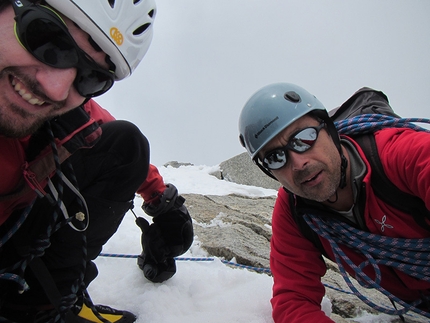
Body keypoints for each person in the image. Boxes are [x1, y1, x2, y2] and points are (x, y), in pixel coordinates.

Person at [0, 0, 193, 322]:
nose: (57, 88)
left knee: (123, 142)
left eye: (91, 78)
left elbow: (96, 128)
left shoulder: (54, 106)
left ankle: (44, 305)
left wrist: (163, 202)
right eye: (47, 38)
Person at [238, 82, 430, 322]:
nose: (298, 163)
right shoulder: (295, 212)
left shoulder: (402, 153)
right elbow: (293, 300)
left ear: (329, 129)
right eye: (276, 158)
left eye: (304, 138)